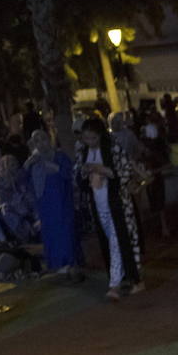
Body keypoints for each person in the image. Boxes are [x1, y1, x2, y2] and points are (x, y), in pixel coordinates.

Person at [75, 118, 143, 300]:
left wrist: (103, 170)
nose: (90, 142)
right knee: (111, 241)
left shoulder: (113, 148)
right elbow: (79, 176)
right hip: (98, 205)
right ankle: (130, 278)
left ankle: (115, 284)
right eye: (87, 138)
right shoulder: (82, 151)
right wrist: (86, 171)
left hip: (117, 203)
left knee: (116, 240)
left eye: (93, 138)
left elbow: (125, 171)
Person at [25, 130, 83, 281]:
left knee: (65, 233)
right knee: (51, 234)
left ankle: (71, 264)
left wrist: (54, 167)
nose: (41, 143)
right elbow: (23, 181)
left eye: (43, 139)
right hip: (45, 206)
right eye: (36, 141)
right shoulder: (34, 161)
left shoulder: (59, 156)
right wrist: (27, 164)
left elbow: (70, 174)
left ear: (49, 139)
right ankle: (57, 266)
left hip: (62, 203)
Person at [0, 155, 38, 243]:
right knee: (7, 210)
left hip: (13, 201)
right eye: (12, 165)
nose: (15, 167)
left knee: (28, 197)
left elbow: (21, 186)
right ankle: (26, 233)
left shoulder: (13, 175)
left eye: (15, 165)